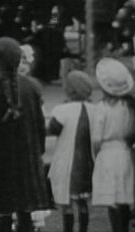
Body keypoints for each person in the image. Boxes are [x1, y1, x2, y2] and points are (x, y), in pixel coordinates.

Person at [0, 37, 52, 232]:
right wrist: (38, 153)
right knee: (25, 212)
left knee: (3, 213)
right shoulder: (31, 87)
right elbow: (40, 125)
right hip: (28, 160)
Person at [47, 71, 98, 232]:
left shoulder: (62, 110)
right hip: (88, 162)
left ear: (69, 90)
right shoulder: (95, 109)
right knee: (82, 201)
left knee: (66, 202)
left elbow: (52, 129)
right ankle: (83, 229)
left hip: (67, 160)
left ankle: (68, 229)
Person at [92, 59, 135, 232]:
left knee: (112, 199)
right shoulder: (129, 106)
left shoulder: (102, 107)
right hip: (124, 150)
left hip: (107, 152)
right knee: (124, 195)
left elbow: (96, 137)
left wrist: (95, 154)